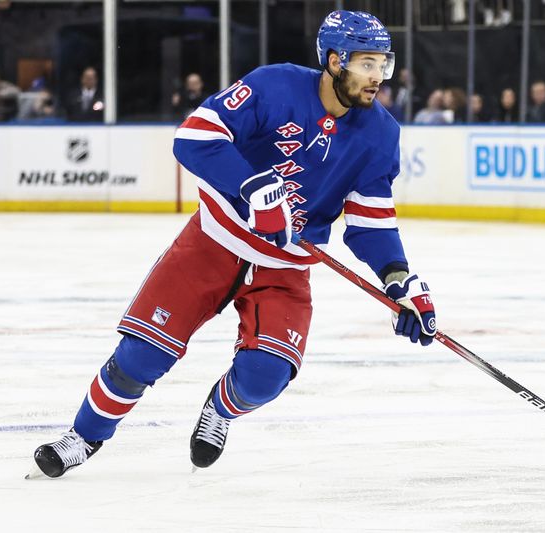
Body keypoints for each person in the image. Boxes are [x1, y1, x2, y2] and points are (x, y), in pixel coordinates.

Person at [29, 10, 437, 479]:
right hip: (214, 240)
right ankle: (83, 436)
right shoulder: (275, 85)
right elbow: (195, 137)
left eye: (382, 65)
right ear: (333, 60)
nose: (378, 78)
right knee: (141, 356)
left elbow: (371, 222)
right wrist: (252, 187)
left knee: (266, 377)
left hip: (284, 267)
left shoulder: (381, 134)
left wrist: (399, 279)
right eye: (367, 64)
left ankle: (219, 412)